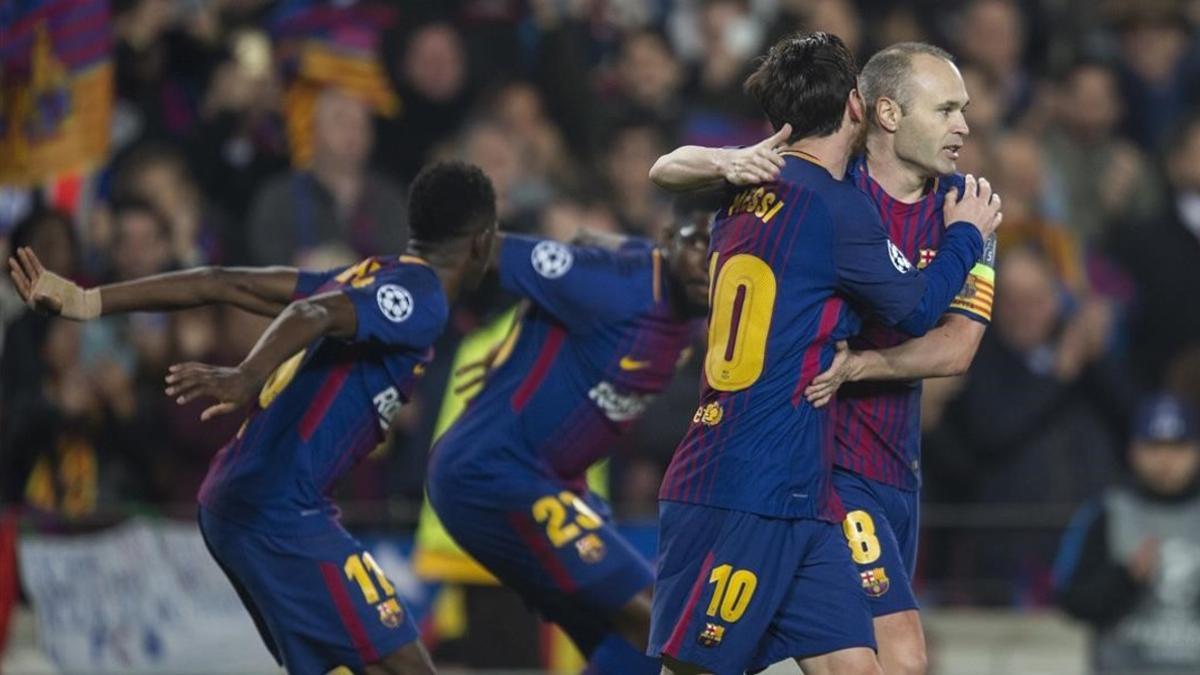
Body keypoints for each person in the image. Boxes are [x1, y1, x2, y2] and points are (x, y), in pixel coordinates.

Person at [8, 161, 499, 675]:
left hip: (238, 501)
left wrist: (88, 300)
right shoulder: (421, 301)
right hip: (278, 508)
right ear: (481, 242)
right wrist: (247, 375)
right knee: (408, 667)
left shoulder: (367, 275)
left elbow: (222, 282)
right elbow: (313, 314)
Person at [646, 32, 1000, 675]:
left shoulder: (768, 177)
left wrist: (721, 161)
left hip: (812, 479)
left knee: (860, 667)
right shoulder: (845, 202)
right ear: (872, 110)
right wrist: (965, 242)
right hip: (773, 471)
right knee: (708, 666)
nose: (963, 125)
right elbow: (920, 308)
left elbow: (958, 345)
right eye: (947, 109)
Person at [426, 195, 716, 674]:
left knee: (632, 647)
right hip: (494, 473)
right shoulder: (615, 285)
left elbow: (589, 239)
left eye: (721, 248)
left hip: (552, 485)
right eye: (697, 242)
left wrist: (525, 335)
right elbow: (485, 249)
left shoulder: (681, 315)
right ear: (668, 239)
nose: (708, 262)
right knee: (665, 628)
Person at [1054, 394, 1200, 674]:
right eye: (1154, 447)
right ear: (1134, 450)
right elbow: (1070, 599)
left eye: (1177, 447)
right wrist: (1125, 577)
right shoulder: (1106, 514)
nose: (1165, 459)